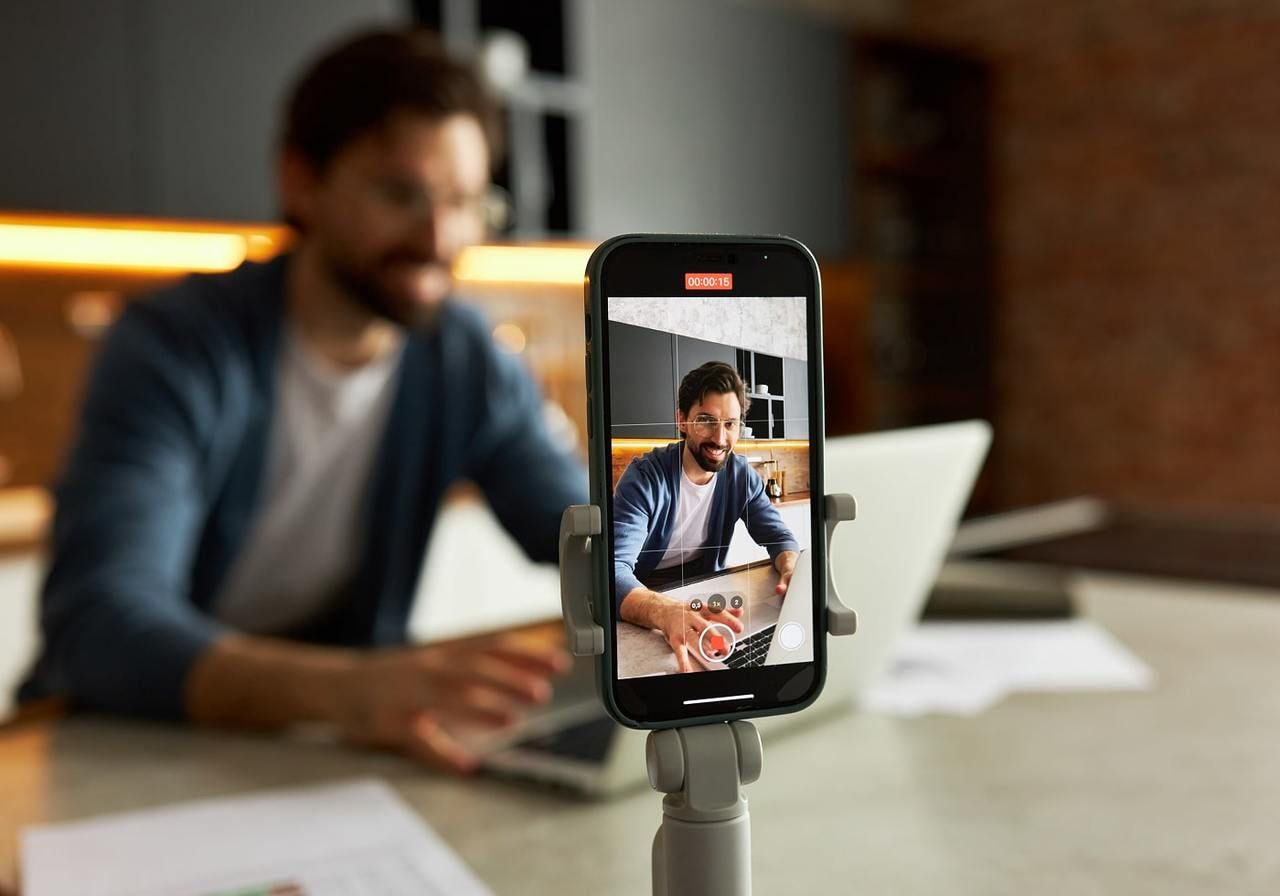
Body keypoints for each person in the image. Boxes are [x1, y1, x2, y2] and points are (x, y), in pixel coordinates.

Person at [19, 29, 587, 774]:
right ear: (301, 182)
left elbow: (579, 531)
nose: (438, 237)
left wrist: (692, 572)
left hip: (325, 749)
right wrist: (355, 691)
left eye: (464, 201)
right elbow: (101, 626)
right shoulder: (174, 347)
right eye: (398, 193)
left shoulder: (464, 358)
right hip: (125, 748)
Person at [613, 361, 799, 672]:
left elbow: (779, 537)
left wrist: (790, 567)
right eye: (706, 421)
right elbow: (614, 571)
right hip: (645, 599)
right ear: (682, 421)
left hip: (703, 594)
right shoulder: (645, 477)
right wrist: (665, 611)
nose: (721, 438)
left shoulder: (742, 477)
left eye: (731, 423)